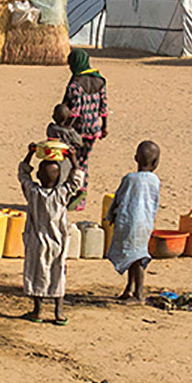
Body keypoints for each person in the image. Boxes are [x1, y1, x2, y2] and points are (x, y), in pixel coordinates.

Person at [18, 149, 85, 323]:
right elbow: (76, 180)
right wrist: (73, 158)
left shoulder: (33, 193)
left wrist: (30, 154)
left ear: (39, 176)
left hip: (36, 240)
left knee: (36, 272)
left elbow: (23, 175)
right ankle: (59, 312)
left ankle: (38, 310)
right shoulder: (62, 195)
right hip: (58, 241)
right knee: (58, 272)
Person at [105, 140, 161, 303]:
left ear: (136, 158)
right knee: (135, 256)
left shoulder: (129, 179)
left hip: (129, 223)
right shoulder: (155, 181)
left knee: (136, 258)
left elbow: (118, 199)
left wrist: (110, 216)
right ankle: (129, 288)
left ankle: (139, 294)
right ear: (156, 163)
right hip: (145, 224)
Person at [60, 48, 109, 172]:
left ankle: (73, 185)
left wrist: (65, 128)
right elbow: (103, 108)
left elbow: (75, 110)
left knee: (73, 158)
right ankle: (82, 187)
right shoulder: (100, 81)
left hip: (78, 128)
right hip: (93, 128)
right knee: (84, 158)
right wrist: (104, 127)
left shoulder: (75, 84)